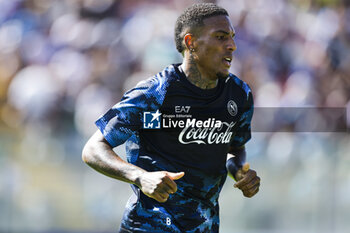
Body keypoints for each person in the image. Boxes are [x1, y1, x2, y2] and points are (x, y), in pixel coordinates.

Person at [82, 3, 260, 233]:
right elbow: (93, 149)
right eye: (220, 37)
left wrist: (240, 172)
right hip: (148, 227)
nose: (232, 45)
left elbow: (234, 148)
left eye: (232, 37)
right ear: (190, 42)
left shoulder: (239, 94)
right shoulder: (156, 93)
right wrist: (140, 177)